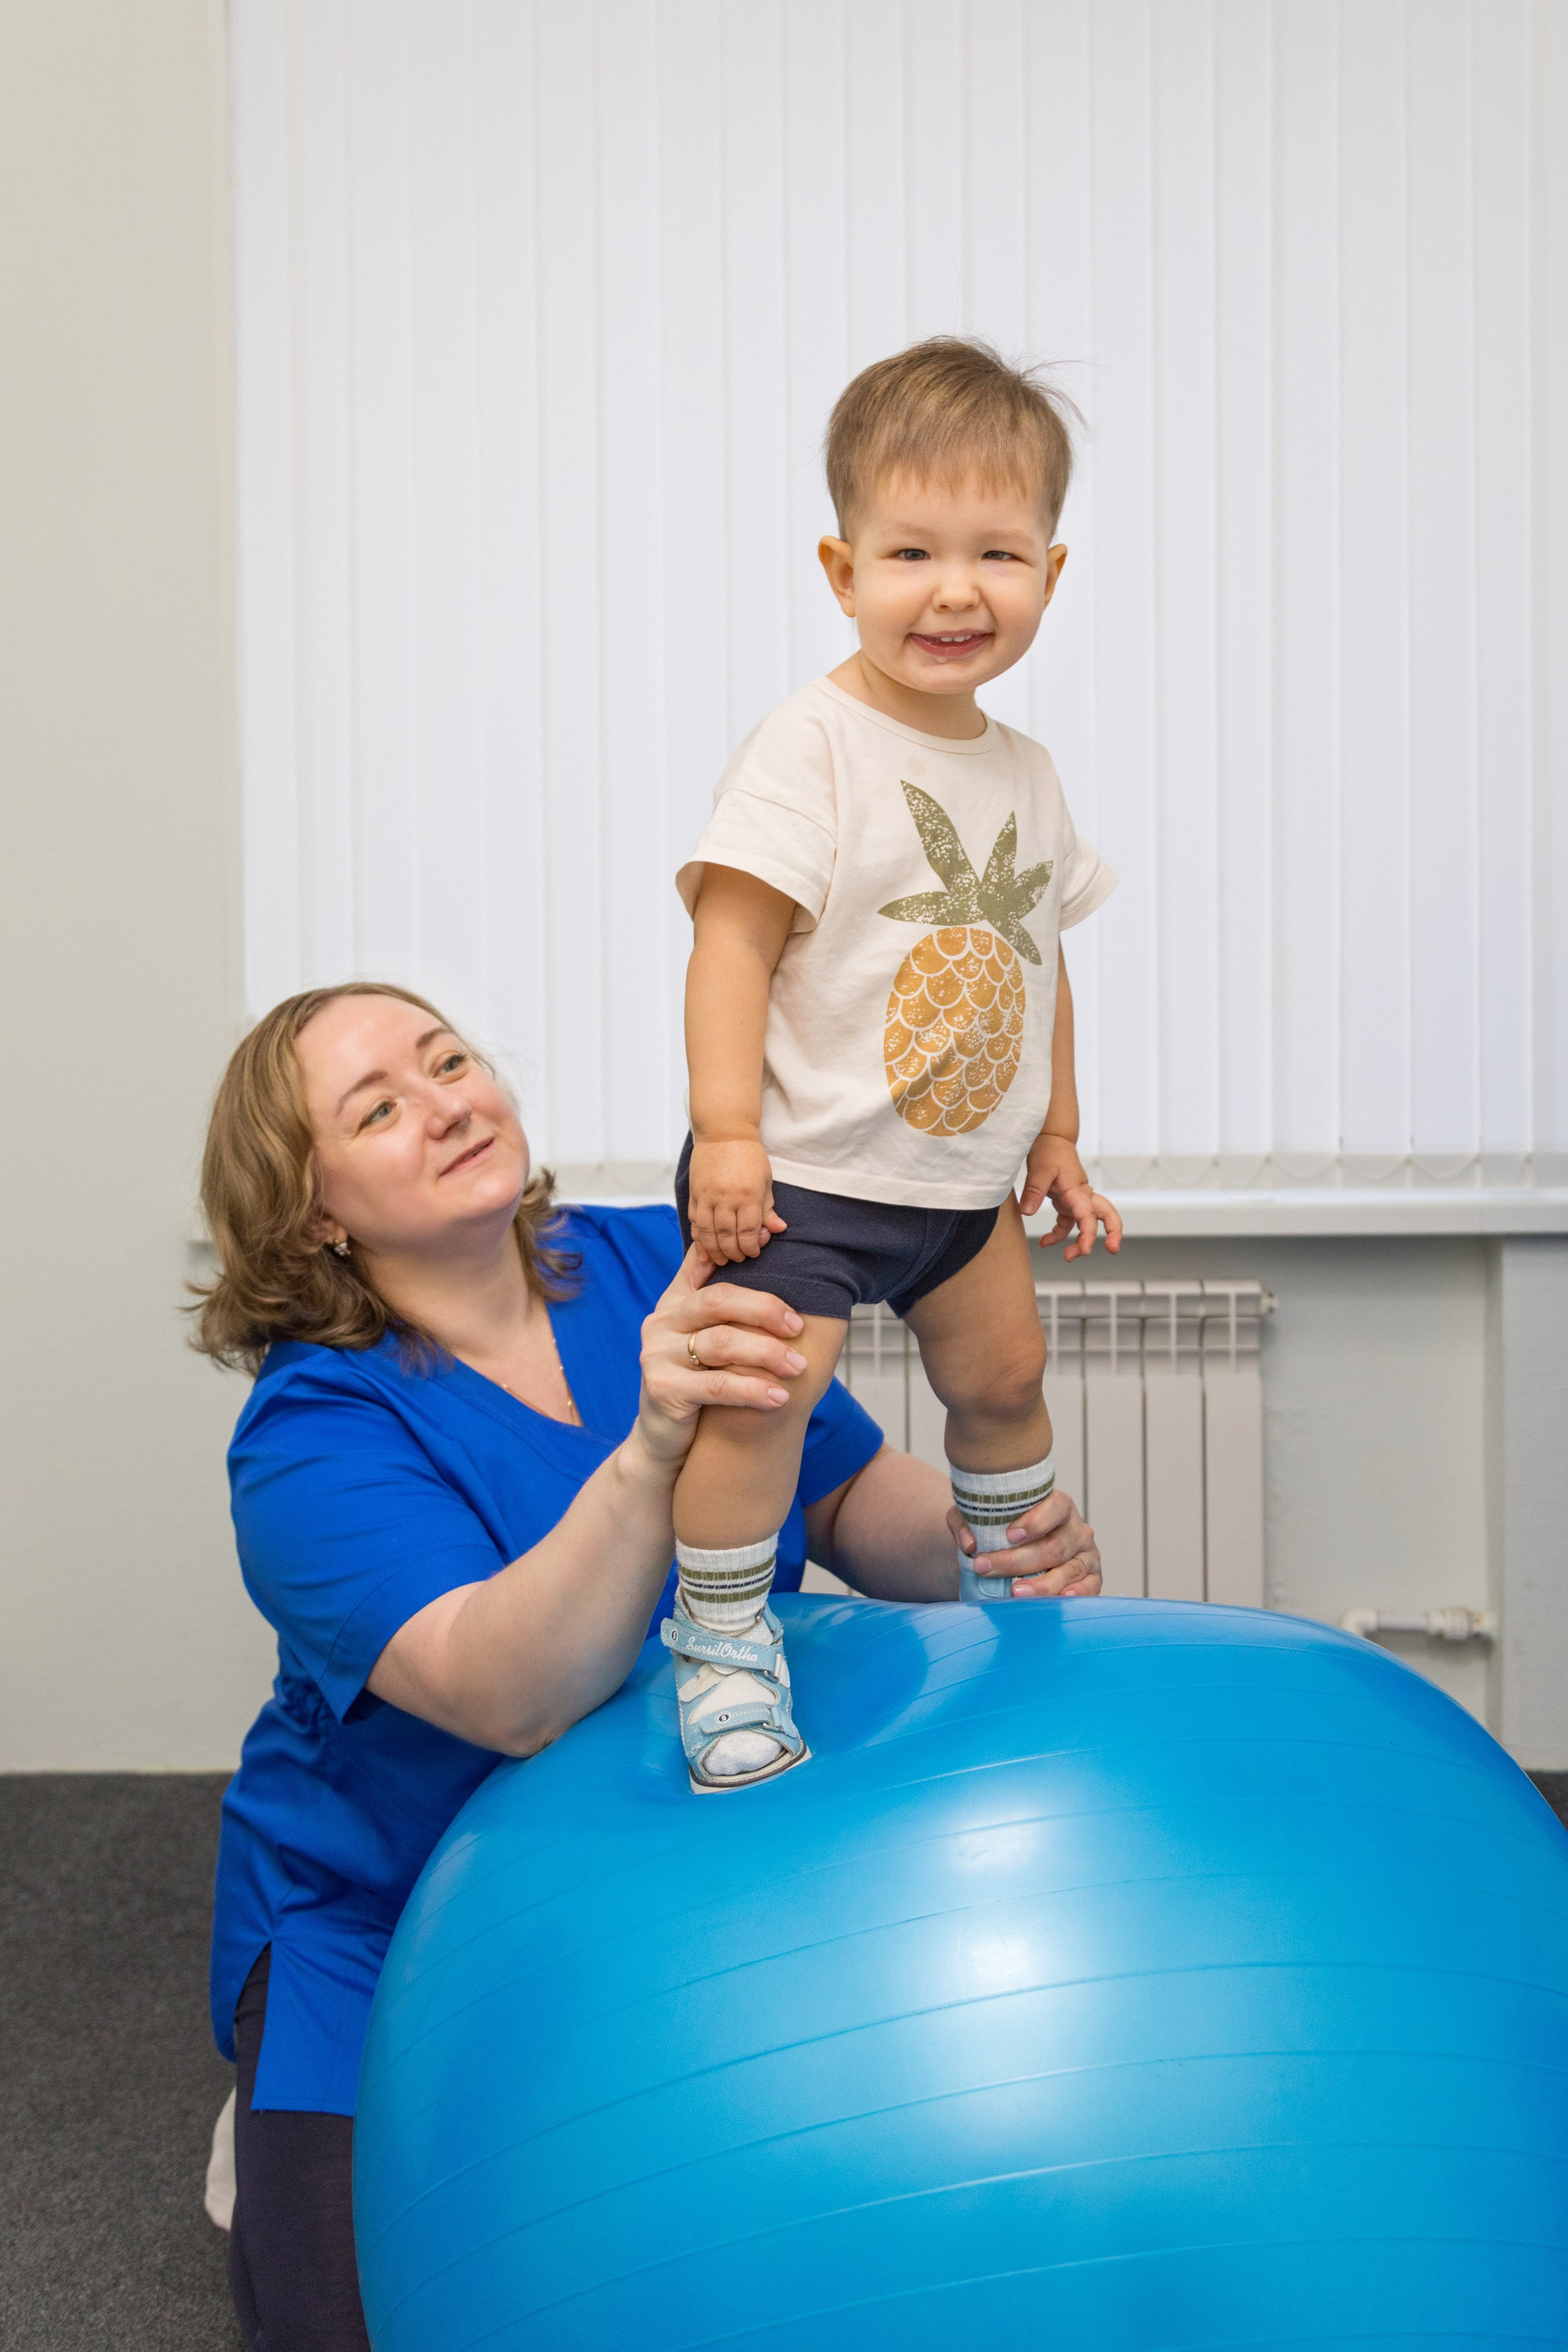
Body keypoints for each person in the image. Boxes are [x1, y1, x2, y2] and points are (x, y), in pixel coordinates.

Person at [194, 979, 1104, 2350]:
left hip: (685, 1863)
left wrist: (989, 1545)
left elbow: (848, 1501)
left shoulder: (648, 1262)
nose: (445, 1105)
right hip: (387, 1918)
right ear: (313, 1208)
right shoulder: (307, 1439)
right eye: (380, 1109)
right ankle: (278, 2110)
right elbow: (508, 1694)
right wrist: (650, 1451)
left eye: (449, 1061)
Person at [667, 337, 1123, 1792]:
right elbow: (731, 945)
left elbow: (1036, 959)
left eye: (996, 554)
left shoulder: (1028, 771)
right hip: (796, 1167)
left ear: (1050, 573)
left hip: (955, 1178)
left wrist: (1053, 1136)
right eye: (911, 551)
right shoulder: (812, 745)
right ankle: (725, 1641)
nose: (954, 590)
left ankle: (1007, 1581)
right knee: (764, 1404)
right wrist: (725, 1134)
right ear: (840, 567)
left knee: (1005, 1371)